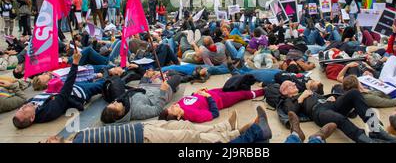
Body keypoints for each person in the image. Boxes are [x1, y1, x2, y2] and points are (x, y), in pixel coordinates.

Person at [45, 107, 272, 144]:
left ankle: (226, 128)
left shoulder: (76, 137)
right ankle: (230, 138)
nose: (51, 139)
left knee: (187, 128)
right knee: (189, 138)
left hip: (143, 128)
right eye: (48, 143)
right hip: (144, 139)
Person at [279, 80, 396, 143]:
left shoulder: (305, 92)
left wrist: (327, 98)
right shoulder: (289, 100)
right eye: (290, 85)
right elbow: (291, 112)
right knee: (339, 118)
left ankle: (376, 130)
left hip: (330, 104)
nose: (294, 83)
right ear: (285, 91)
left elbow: (320, 94)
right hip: (318, 112)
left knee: (354, 93)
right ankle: (364, 140)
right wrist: (301, 97)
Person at [12, 52, 105, 129]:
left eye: (20, 109)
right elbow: (65, 92)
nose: (23, 107)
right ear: (32, 118)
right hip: (80, 91)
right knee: (103, 83)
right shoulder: (49, 111)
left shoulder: (31, 105)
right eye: (24, 111)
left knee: (102, 74)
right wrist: (75, 64)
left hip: (72, 85)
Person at [100, 76, 181, 124]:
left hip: (146, 87)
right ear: (120, 114)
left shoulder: (123, 101)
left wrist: (145, 77)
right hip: (158, 91)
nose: (115, 101)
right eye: (115, 105)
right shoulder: (138, 111)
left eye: (112, 102)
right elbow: (157, 110)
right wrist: (163, 91)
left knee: (158, 72)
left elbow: (137, 91)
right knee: (177, 77)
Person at [159, 87, 264, 123]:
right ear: (178, 117)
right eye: (172, 110)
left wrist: (195, 93)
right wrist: (208, 96)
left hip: (212, 93)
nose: (172, 106)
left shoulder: (178, 105)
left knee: (232, 86)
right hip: (221, 100)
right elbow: (214, 113)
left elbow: (190, 100)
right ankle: (263, 91)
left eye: (169, 107)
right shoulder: (193, 116)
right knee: (241, 94)